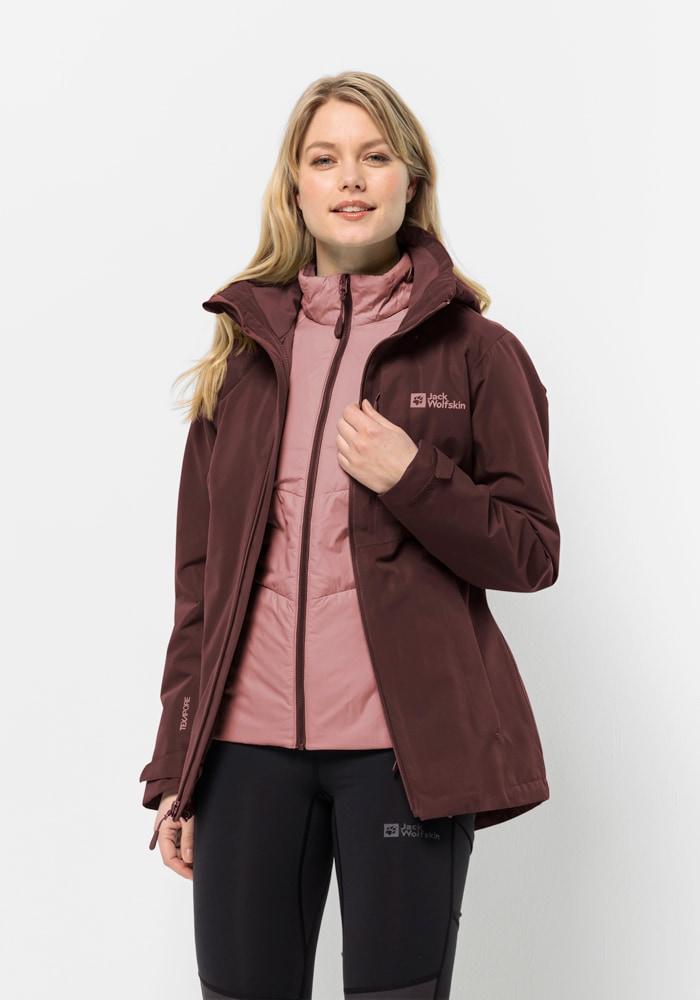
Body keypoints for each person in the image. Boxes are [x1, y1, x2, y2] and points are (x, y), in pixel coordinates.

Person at [139, 71, 560, 1000]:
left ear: (412, 180)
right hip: (244, 754)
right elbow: (201, 588)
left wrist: (414, 477)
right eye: (325, 159)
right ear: (296, 185)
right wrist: (177, 766)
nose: (352, 179)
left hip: (400, 756)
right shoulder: (242, 361)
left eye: (375, 157)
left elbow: (532, 552)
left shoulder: (478, 354)